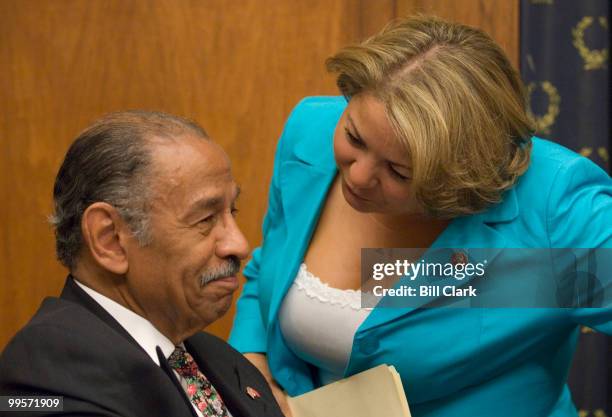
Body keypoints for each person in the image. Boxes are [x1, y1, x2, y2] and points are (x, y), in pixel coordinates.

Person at [228, 15, 612, 417]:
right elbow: (268, 266)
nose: (357, 176)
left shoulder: (552, 207)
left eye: (399, 171)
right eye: (354, 138)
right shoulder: (309, 131)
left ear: (463, 174)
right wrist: (253, 372)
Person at [0, 111, 284, 417]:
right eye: (205, 219)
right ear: (110, 240)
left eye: (232, 211)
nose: (239, 245)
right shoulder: (44, 377)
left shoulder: (218, 358)